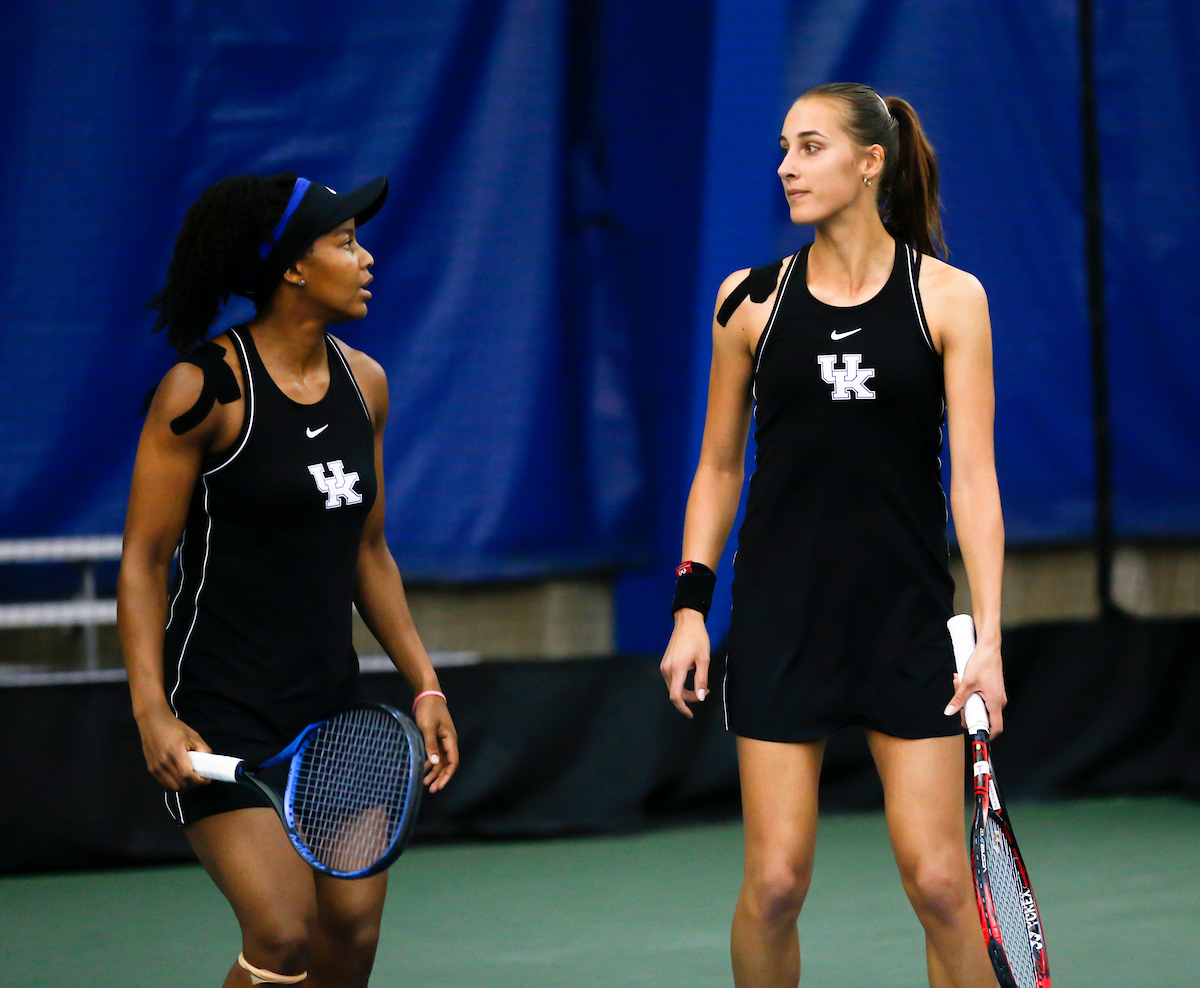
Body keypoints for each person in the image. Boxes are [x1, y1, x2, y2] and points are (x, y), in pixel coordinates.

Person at [660, 83, 1005, 987]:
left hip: (906, 622)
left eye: (809, 147)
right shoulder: (750, 304)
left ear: (870, 161)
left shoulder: (950, 299)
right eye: (782, 148)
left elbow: (973, 479)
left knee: (937, 882)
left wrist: (990, 638)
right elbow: (718, 468)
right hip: (782, 620)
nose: (786, 166)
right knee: (774, 884)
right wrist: (691, 609)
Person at [119, 172, 459, 988]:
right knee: (283, 938)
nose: (366, 256)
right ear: (293, 270)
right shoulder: (203, 392)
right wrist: (152, 714)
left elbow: (368, 552)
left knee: (350, 937)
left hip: (334, 715)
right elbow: (143, 559)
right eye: (344, 241)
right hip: (220, 711)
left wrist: (425, 686)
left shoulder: (365, 384)